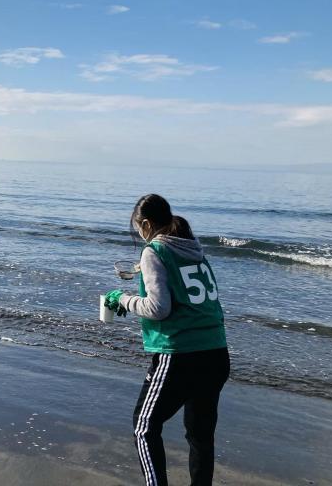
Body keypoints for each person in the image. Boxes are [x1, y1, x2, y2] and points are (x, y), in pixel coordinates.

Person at [103, 194, 228, 486]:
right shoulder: (193, 249)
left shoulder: (154, 250)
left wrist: (122, 298)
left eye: (138, 228)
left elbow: (158, 309)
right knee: (200, 435)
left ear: (145, 224)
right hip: (216, 352)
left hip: (180, 354)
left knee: (144, 426)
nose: (138, 234)